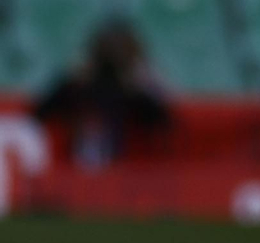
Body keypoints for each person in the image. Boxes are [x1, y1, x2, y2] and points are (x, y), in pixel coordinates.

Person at [33, 18, 171, 168]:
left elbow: (162, 119)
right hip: (85, 163)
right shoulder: (79, 86)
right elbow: (40, 112)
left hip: (110, 165)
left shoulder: (129, 91)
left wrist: (139, 82)